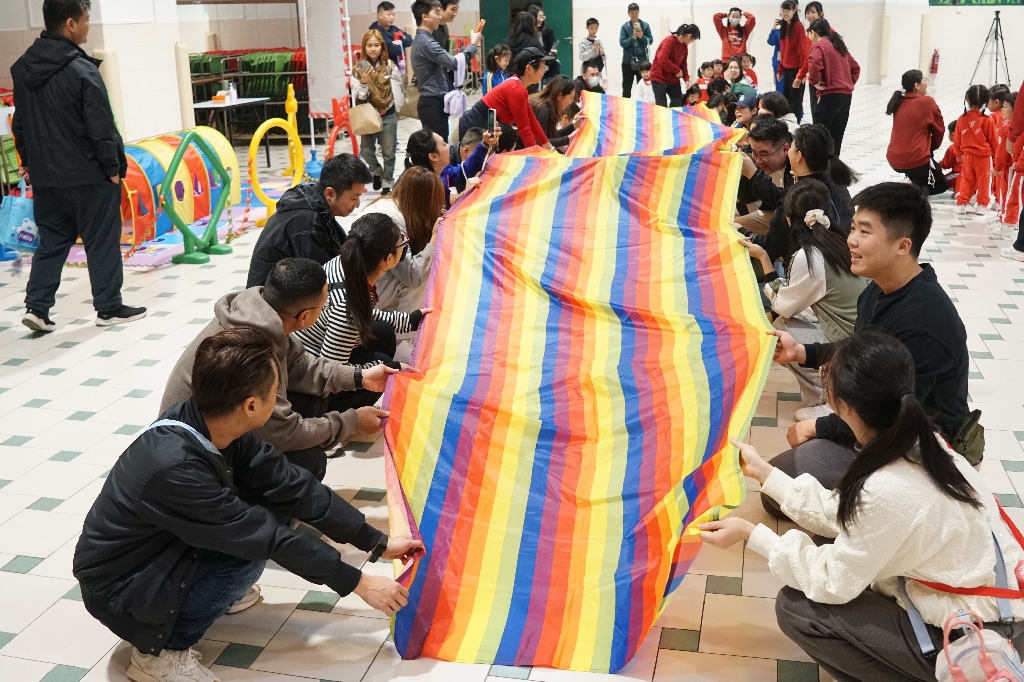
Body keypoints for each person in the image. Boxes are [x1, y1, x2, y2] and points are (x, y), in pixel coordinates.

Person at [75, 326, 424, 682]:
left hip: (157, 550)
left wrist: (374, 541)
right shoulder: (175, 466)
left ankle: (206, 598)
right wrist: (359, 583)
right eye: (276, 391)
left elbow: (291, 485)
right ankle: (159, 656)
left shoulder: (210, 422)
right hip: (119, 586)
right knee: (249, 549)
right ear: (251, 405)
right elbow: (264, 537)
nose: (280, 398)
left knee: (273, 512)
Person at [699, 329, 1023, 682]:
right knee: (827, 543)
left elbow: (833, 581)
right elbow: (846, 513)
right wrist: (763, 471)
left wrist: (751, 534)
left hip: (982, 636)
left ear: (845, 407)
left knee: (798, 609)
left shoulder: (886, 487)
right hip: (995, 594)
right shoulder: (922, 441)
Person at [764, 182, 972, 515]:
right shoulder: (878, 291)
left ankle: (891, 512)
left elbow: (893, 415)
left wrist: (819, 426)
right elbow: (861, 351)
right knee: (780, 485)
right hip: (877, 424)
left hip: (916, 448)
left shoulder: (924, 322)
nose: (851, 240)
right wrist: (803, 353)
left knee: (780, 491)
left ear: (903, 245)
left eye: (865, 231)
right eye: (853, 228)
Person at [161, 258, 396, 482]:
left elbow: (301, 365)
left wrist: (360, 377)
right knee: (308, 462)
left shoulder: (260, 314)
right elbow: (282, 434)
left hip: (207, 428)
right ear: (304, 316)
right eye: (323, 305)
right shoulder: (252, 349)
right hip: (194, 452)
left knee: (313, 402)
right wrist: (352, 422)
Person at [12, 0, 146, 333]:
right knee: (101, 241)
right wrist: (113, 167)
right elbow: (100, 127)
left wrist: (28, 162)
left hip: (47, 178)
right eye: (86, 19)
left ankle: (37, 307)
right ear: (70, 23)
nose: (88, 25)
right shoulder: (82, 69)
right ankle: (108, 308)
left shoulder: (24, 68)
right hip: (89, 176)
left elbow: (21, 124)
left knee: (52, 241)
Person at [743, 179, 867, 408]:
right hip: (864, 337)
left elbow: (783, 307)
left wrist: (763, 258)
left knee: (780, 327)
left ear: (788, 220)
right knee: (796, 313)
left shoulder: (809, 256)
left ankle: (826, 397)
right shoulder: (839, 240)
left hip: (850, 347)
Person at [296, 215, 431, 412]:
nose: (405, 242)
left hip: (314, 354)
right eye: (402, 242)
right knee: (387, 368)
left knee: (384, 333)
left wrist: (408, 321)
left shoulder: (345, 263)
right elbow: (330, 372)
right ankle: (336, 415)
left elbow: (364, 313)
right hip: (311, 385)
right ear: (388, 259)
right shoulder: (348, 309)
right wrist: (377, 370)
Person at [247, 154, 371, 288]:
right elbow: (320, 281)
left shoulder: (317, 206)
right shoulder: (307, 221)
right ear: (330, 193)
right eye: (354, 198)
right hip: (269, 299)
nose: (357, 204)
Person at [749, 124, 857, 270]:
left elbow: (771, 246)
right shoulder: (829, 182)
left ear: (799, 156)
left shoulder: (798, 196)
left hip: (806, 269)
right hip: (833, 260)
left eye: (792, 147)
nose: (788, 151)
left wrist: (743, 233)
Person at [368, 167, 445, 313]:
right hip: (365, 295)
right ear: (424, 201)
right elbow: (412, 275)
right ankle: (407, 326)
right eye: (436, 203)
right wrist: (435, 235)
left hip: (362, 287)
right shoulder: (392, 222)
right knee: (421, 276)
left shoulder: (391, 203)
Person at [457, 47, 555, 151]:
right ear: (529, 69)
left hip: (485, 126)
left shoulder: (520, 87)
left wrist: (550, 148)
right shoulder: (516, 89)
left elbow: (532, 122)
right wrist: (535, 155)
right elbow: (525, 131)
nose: (545, 70)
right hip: (474, 127)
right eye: (542, 67)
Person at [410, 0, 479, 143]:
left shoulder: (427, 38)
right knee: (438, 147)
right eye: (436, 12)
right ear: (424, 17)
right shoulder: (427, 42)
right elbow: (454, 63)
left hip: (434, 101)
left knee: (439, 145)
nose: (439, 16)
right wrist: (473, 44)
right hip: (432, 103)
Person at [353, 30, 404, 196]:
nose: (373, 49)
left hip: (388, 113)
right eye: (369, 45)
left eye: (376, 45)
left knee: (389, 151)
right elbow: (359, 96)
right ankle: (377, 172)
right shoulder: (359, 68)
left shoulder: (389, 65)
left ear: (382, 47)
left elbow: (398, 87)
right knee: (366, 150)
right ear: (364, 47)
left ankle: (388, 182)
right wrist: (363, 82)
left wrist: (399, 109)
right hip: (368, 115)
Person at [886, 69, 945, 193]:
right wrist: (929, 150)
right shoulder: (927, 102)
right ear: (917, 86)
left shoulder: (899, 101)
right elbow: (939, 130)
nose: (927, 83)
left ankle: (911, 179)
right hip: (916, 160)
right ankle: (911, 184)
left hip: (894, 160)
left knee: (925, 172)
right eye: (925, 80)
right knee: (941, 185)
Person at [405, 128, 496, 207]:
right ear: (433, 157)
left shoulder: (443, 170)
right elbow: (436, 216)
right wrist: (466, 192)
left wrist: (485, 144)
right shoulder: (422, 185)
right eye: (444, 144)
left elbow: (463, 171)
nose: (449, 146)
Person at [805, 18, 858, 155]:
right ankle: (834, 165)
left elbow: (814, 65)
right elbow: (856, 68)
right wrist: (847, 83)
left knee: (821, 136)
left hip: (829, 96)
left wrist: (815, 81)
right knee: (836, 137)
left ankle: (821, 166)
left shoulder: (818, 46)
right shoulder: (839, 45)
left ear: (813, 32)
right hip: (846, 97)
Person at [953, 84, 997, 216]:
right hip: (984, 156)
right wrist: (997, 157)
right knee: (984, 181)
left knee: (966, 179)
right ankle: (982, 205)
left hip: (967, 155)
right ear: (985, 101)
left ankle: (961, 204)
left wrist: (958, 153)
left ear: (967, 98)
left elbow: (957, 139)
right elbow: (994, 140)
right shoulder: (987, 120)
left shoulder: (961, 118)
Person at [650, 24, 700, 108]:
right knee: (661, 106)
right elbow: (662, 60)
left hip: (673, 79)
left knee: (677, 103)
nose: (692, 42)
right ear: (689, 36)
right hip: (659, 77)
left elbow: (683, 64)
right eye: (693, 39)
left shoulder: (684, 46)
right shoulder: (669, 41)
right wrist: (677, 70)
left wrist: (686, 79)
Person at [777, 0, 809, 122]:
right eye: (783, 11)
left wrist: (802, 72)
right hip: (787, 70)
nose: (785, 13)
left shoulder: (797, 26)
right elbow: (783, 51)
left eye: (788, 11)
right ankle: (788, 125)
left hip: (796, 70)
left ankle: (796, 126)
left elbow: (802, 50)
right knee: (786, 100)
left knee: (796, 102)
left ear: (794, 11)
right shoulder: (784, 27)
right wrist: (780, 69)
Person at [998, 93, 1023, 243]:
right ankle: (1005, 218)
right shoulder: (1010, 128)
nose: (1002, 110)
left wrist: (1016, 165)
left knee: (1013, 197)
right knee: (1007, 195)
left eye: (1006, 107)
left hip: (1015, 169)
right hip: (1013, 167)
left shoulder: (1015, 130)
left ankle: (1009, 223)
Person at [532, 75, 580, 149]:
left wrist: (573, 126)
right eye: (571, 98)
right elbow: (542, 143)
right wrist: (568, 138)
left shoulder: (550, 108)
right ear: (560, 95)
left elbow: (553, 135)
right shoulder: (544, 110)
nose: (571, 102)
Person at [619, 3, 654, 99]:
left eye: (636, 12)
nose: (634, 15)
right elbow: (622, 43)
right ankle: (625, 106)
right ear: (628, 13)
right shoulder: (625, 27)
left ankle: (644, 105)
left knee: (644, 88)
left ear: (639, 12)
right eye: (632, 13)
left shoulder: (645, 26)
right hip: (628, 62)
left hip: (642, 62)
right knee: (626, 88)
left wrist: (642, 37)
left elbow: (650, 41)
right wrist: (632, 38)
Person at [369, 1, 412, 66]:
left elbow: (410, 39)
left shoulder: (393, 28)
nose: (392, 17)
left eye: (393, 15)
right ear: (379, 15)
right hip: (382, 67)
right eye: (389, 15)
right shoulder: (375, 31)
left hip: (395, 66)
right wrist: (402, 43)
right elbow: (393, 50)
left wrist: (400, 42)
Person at [529, 5, 561, 79]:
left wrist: (549, 56)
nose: (541, 19)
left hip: (550, 67)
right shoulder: (527, 34)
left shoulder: (549, 32)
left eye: (542, 17)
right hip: (534, 67)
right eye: (539, 17)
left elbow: (553, 53)